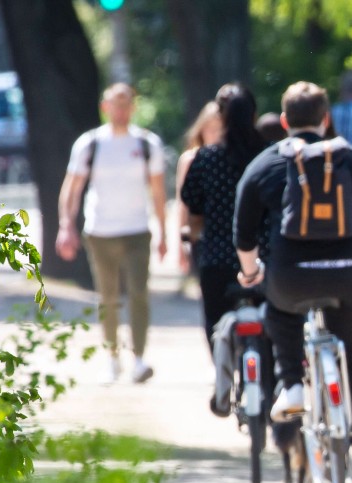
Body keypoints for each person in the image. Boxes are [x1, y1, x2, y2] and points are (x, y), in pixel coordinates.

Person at [233, 81, 352, 483]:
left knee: (280, 308)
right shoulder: (351, 159)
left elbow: (244, 234)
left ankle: (290, 385)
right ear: (326, 119)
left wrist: (252, 272)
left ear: (285, 120)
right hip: (349, 276)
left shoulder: (266, 163)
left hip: (291, 274)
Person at [56, 83, 168, 384]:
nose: (120, 110)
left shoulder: (147, 144)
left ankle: (140, 359)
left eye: (126, 104)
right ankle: (112, 357)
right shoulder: (90, 144)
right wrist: (66, 225)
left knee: (139, 294)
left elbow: (158, 191)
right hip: (100, 231)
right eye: (115, 104)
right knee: (107, 297)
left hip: (137, 230)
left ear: (133, 107)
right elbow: (72, 187)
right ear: (105, 108)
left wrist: (163, 232)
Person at [180, 84, 268, 350]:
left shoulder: (206, 159)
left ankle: (223, 378)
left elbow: (192, 207)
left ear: (221, 117)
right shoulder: (269, 155)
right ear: (254, 115)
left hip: (217, 258)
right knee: (275, 324)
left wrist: (192, 236)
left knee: (215, 324)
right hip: (265, 259)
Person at [175, 102, 224, 278]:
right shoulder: (190, 159)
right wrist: (181, 244)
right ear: (201, 130)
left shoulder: (232, 159)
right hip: (200, 233)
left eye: (220, 128)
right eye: (210, 128)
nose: (215, 134)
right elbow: (182, 204)